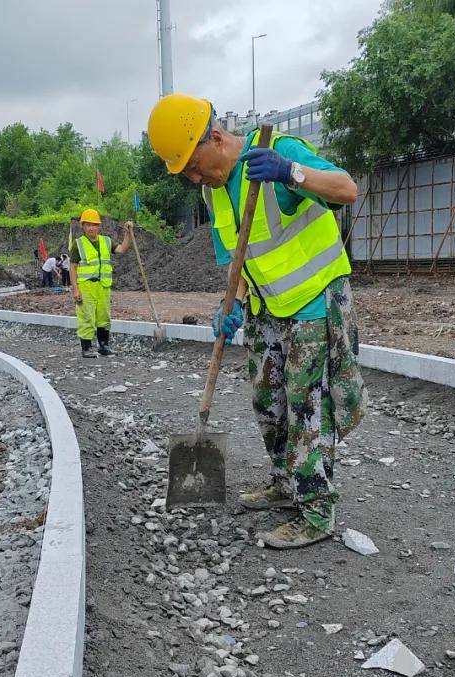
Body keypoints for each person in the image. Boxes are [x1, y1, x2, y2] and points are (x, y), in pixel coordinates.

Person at [147, 93, 367, 550]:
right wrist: (228, 305)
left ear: (215, 137)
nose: (192, 177)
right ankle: (286, 482)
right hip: (266, 309)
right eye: (183, 171)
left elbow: (346, 189)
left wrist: (292, 173)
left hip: (314, 299)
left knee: (307, 406)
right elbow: (238, 260)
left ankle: (316, 509)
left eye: (192, 164)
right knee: (268, 401)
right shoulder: (214, 194)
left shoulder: (277, 153)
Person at [70, 209, 134, 358]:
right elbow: (72, 267)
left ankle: (103, 346)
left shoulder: (107, 241)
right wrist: (75, 289)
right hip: (86, 286)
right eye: (88, 225)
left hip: (103, 286)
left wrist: (127, 234)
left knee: (104, 316)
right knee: (87, 316)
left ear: (99, 226)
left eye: (94, 225)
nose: (91, 228)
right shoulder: (78, 244)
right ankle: (86, 348)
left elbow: (122, 249)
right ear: (83, 226)